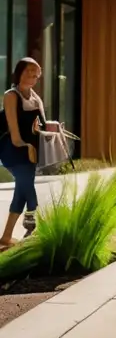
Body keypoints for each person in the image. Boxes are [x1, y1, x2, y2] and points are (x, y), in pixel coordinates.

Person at [0, 58, 45, 248]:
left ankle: (6, 237)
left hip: (31, 151)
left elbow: (42, 123)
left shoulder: (36, 97)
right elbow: (14, 131)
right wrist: (25, 146)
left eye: (36, 74)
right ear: (19, 72)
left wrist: (52, 129)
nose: (32, 77)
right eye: (29, 72)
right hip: (13, 148)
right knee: (27, 187)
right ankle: (33, 223)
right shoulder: (11, 95)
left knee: (21, 191)